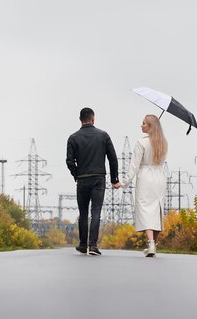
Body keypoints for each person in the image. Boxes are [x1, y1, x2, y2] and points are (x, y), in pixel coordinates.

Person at [66, 107, 119, 256]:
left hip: (82, 180)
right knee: (96, 213)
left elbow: (69, 161)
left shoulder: (73, 138)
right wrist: (114, 179)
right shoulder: (103, 136)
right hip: (98, 178)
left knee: (83, 213)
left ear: (80, 119)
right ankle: (93, 246)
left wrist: (77, 174)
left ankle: (83, 245)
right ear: (93, 119)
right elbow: (113, 159)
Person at [113, 114, 168, 257]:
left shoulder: (141, 142)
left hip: (145, 177)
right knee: (157, 210)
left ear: (150, 127)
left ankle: (150, 243)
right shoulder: (163, 143)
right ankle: (153, 245)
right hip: (160, 177)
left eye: (144, 123)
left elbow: (134, 166)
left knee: (145, 210)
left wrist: (123, 182)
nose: (141, 125)